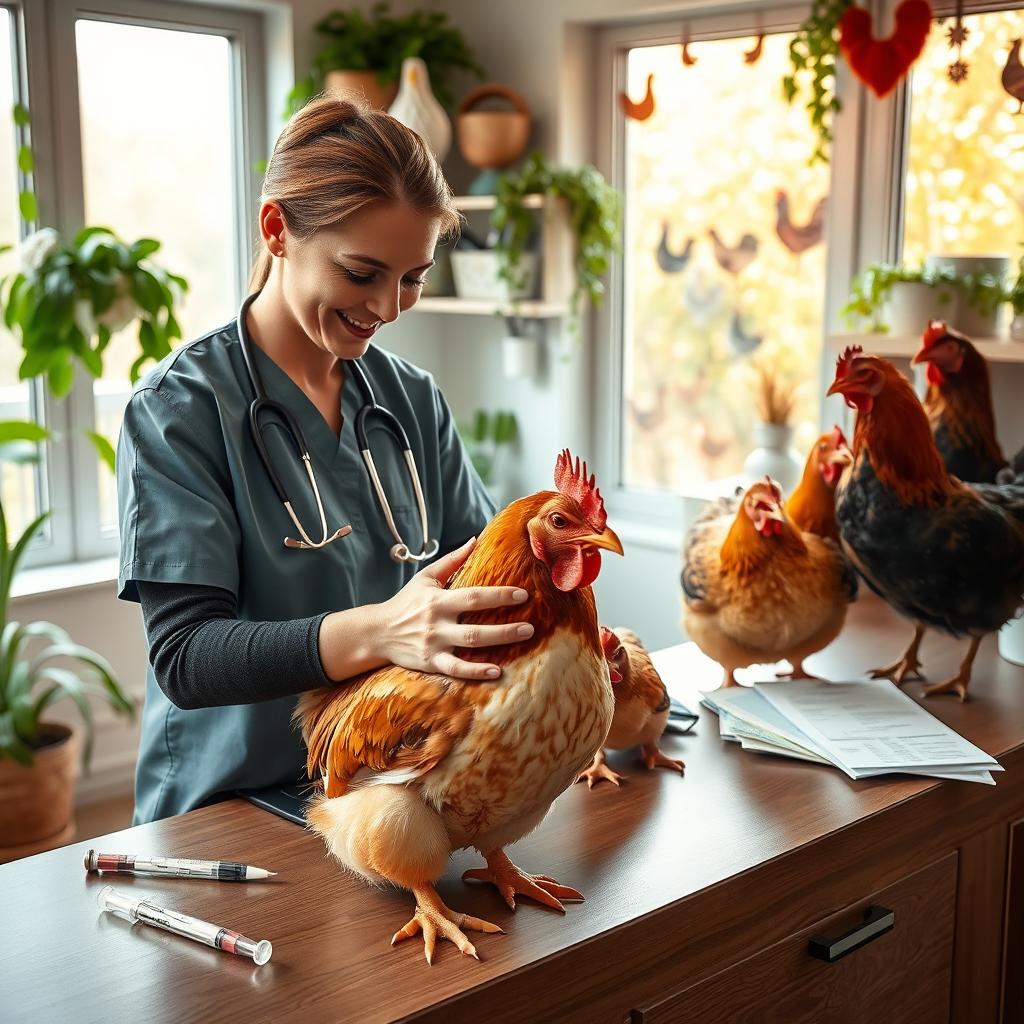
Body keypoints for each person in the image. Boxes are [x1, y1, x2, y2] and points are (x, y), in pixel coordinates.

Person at [116, 95, 533, 825]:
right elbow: (186, 656)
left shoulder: (409, 401)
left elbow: (487, 581)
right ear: (277, 229)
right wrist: (380, 630)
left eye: (413, 276)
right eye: (362, 272)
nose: (391, 306)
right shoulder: (180, 410)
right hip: (228, 810)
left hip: (387, 794)